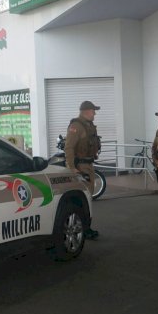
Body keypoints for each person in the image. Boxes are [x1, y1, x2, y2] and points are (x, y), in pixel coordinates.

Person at [65, 100, 101, 239]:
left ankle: (86, 228)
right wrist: (72, 167)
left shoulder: (88, 126)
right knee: (85, 198)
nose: (95, 114)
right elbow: (69, 148)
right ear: (86, 111)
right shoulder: (76, 126)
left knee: (88, 196)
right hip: (81, 167)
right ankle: (85, 229)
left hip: (88, 164)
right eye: (93, 111)